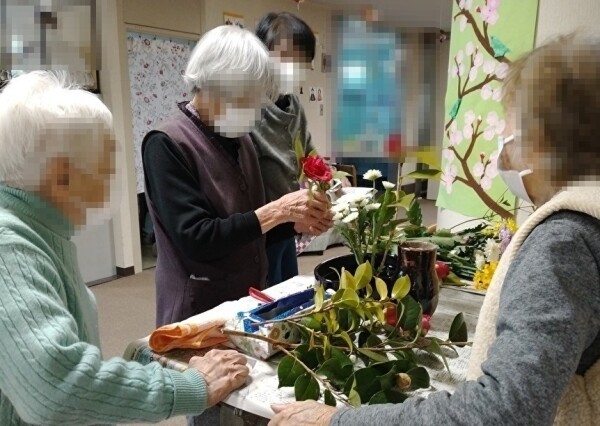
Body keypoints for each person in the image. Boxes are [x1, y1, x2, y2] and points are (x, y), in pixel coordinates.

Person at [268, 35, 600, 426]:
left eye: (508, 130)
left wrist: (338, 421)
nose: (503, 148)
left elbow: (503, 411)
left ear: (540, 140)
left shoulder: (562, 243)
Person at [0, 71, 250, 425]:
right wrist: (190, 387)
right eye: (104, 168)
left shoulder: (40, 231)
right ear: (62, 176)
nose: (111, 180)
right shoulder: (9, 247)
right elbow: (54, 388)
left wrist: (131, 370)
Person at [142, 25, 332, 326]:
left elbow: (247, 226)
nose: (257, 111)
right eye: (250, 99)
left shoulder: (240, 139)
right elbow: (197, 238)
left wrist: (295, 224)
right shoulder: (166, 144)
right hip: (197, 309)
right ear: (218, 87)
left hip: (246, 301)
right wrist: (278, 210)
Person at [253, 12, 326, 285]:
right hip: (259, 227)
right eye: (284, 57)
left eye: (301, 60)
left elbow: (309, 154)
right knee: (263, 295)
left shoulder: (294, 105)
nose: (293, 67)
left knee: (287, 289)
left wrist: (330, 182)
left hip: (288, 225)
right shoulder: (246, 109)